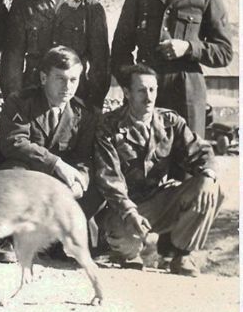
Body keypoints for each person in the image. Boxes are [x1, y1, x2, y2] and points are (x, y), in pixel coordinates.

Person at [94, 64, 223, 276]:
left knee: (211, 187)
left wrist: (208, 174)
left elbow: (201, 152)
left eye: (153, 90)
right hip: (124, 208)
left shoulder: (170, 122)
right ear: (126, 93)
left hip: (161, 200)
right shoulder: (109, 126)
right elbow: (109, 178)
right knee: (123, 241)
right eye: (141, 90)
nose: (149, 97)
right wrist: (129, 212)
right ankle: (128, 254)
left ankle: (181, 255)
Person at [110, 0, 233, 137]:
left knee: (187, 163)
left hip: (186, 97)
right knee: (140, 161)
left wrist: (188, 47)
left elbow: (224, 53)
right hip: (144, 93)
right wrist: (130, 84)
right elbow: (120, 46)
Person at [2, 0, 110, 109]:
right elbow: (12, 64)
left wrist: (91, 106)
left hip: (76, 103)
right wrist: (16, 105)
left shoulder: (91, 7)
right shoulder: (24, 5)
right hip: (32, 100)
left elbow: (101, 65)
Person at [0, 46, 98, 211]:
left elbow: (84, 157)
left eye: (73, 80)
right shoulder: (20, 103)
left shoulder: (84, 114)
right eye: (60, 78)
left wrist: (81, 181)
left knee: (87, 216)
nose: (67, 87)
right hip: (25, 176)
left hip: (62, 182)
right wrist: (56, 163)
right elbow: (14, 143)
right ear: (44, 78)